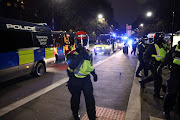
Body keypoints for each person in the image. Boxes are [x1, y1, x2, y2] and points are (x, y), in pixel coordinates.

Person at [65, 31, 98, 120]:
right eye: (79, 41)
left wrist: (94, 74)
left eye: (83, 41)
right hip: (75, 79)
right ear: (76, 42)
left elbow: (90, 65)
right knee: (75, 99)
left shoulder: (89, 53)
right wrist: (80, 56)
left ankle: (92, 117)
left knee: (90, 99)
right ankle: (75, 114)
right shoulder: (71, 54)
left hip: (86, 80)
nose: (81, 44)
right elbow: (71, 65)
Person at [139, 33, 166, 99]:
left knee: (153, 77)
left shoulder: (162, 46)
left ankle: (142, 82)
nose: (163, 39)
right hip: (154, 65)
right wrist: (150, 63)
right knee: (158, 79)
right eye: (162, 38)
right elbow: (145, 55)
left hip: (159, 65)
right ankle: (156, 94)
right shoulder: (153, 46)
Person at [157, 41, 180, 119]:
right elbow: (167, 58)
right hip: (176, 72)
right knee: (171, 92)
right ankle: (166, 109)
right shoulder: (175, 48)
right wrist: (161, 66)